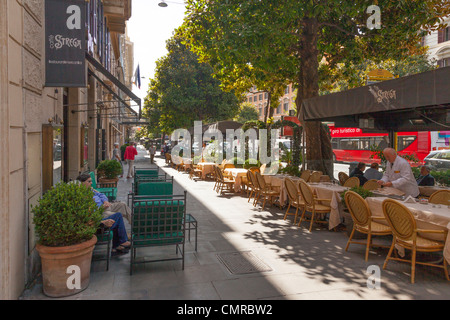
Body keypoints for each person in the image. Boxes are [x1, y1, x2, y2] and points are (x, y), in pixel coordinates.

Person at [76, 173, 130, 255]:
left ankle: (136, 226)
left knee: (122, 205)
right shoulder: (81, 196)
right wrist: (100, 208)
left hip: (105, 206)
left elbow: (101, 194)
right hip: (100, 212)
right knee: (117, 215)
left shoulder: (91, 190)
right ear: (82, 183)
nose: (91, 183)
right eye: (89, 181)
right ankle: (121, 241)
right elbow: (90, 213)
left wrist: (105, 201)